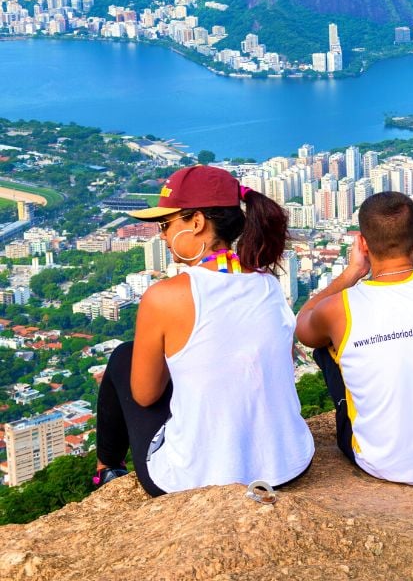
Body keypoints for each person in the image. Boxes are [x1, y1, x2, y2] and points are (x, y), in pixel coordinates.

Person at [93, 165, 314, 495]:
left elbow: (144, 396)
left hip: (198, 479)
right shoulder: (268, 284)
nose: (162, 235)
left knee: (126, 355)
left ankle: (107, 469)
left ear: (196, 223)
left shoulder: (165, 297)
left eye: (166, 224)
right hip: (287, 464)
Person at [295, 192, 413, 486]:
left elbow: (302, 327)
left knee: (327, 344)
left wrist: (354, 271)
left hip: (381, 461)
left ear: (364, 244)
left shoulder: (340, 308)